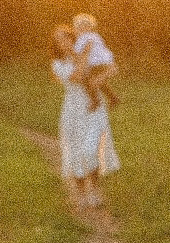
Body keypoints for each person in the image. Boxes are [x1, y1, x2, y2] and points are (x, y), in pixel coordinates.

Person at [51, 24, 120, 208]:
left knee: (92, 150)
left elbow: (105, 72)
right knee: (76, 153)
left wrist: (105, 82)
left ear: (73, 38)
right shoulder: (58, 64)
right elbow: (78, 75)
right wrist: (85, 53)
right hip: (73, 111)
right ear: (56, 45)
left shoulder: (87, 53)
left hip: (94, 110)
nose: (64, 43)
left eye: (66, 38)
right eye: (59, 41)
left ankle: (95, 191)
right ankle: (81, 194)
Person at [71, 12, 120, 112]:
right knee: (100, 82)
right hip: (105, 62)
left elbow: (78, 51)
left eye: (79, 27)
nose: (78, 30)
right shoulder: (96, 36)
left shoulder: (84, 38)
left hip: (97, 63)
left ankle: (95, 100)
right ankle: (113, 98)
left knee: (88, 81)